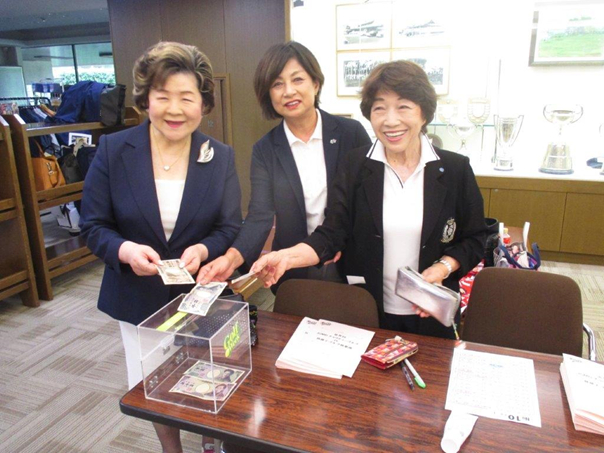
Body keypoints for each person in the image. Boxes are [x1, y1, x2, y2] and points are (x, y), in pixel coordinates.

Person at [80, 41, 241, 453]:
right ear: (145, 100)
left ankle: (210, 444)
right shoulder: (114, 151)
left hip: (201, 295)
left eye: (186, 97)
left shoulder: (219, 157)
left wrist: (203, 250)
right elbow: (93, 225)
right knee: (152, 384)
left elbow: (229, 227)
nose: (174, 109)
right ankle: (172, 449)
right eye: (162, 96)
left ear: (202, 103)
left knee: (208, 376)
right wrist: (125, 251)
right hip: (137, 297)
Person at [251, 60, 486, 339]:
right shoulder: (356, 166)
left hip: (431, 314)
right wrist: (286, 257)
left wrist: (443, 268)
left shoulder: (455, 169)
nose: (390, 120)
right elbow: (333, 233)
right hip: (367, 313)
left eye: (403, 107)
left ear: (423, 112)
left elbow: (475, 239)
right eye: (379, 108)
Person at [197, 41, 371, 289]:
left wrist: (341, 240)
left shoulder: (350, 134)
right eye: (277, 84)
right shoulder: (265, 149)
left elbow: (366, 202)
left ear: (315, 84)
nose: (288, 91)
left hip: (346, 259)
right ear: (268, 94)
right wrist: (231, 259)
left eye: (297, 79)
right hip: (290, 265)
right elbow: (259, 216)